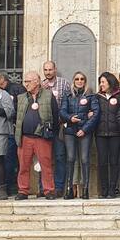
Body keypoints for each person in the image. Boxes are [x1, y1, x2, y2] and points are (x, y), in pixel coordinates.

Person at [13, 71, 59, 200]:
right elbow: (16, 116)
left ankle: (48, 190)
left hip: (42, 137)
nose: (25, 84)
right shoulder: (21, 97)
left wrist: (51, 133)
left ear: (37, 82)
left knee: (46, 165)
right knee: (23, 166)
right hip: (25, 137)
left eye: (28, 81)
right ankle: (23, 190)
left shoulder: (48, 95)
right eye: (25, 81)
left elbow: (55, 115)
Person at [59, 71, 99, 199]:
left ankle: (85, 189)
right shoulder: (68, 95)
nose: (79, 81)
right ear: (73, 81)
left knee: (84, 159)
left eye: (82, 79)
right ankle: (70, 188)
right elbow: (62, 111)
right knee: (70, 158)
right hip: (70, 130)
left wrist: (85, 128)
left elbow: (96, 114)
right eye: (77, 79)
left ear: (85, 81)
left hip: (85, 131)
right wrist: (70, 118)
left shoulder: (90, 96)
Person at [41, 60, 72, 202]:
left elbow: (69, 102)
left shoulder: (64, 83)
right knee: (45, 158)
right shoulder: (41, 85)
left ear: (55, 69)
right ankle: (44, 188)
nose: (48, 72)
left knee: (60, 156)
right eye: (45, 70)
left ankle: (59, 187)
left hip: (60, 126)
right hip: (45, 128)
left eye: (50, 69)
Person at [95, 72, 120, 198]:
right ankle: (104, 189)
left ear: (110, 82)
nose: (101, 85)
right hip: (100, 133)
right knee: (102, 161)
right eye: (100, 82)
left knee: (114, 161)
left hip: (116, 133)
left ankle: (113, 188)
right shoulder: (97, 96)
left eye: (103, 82)